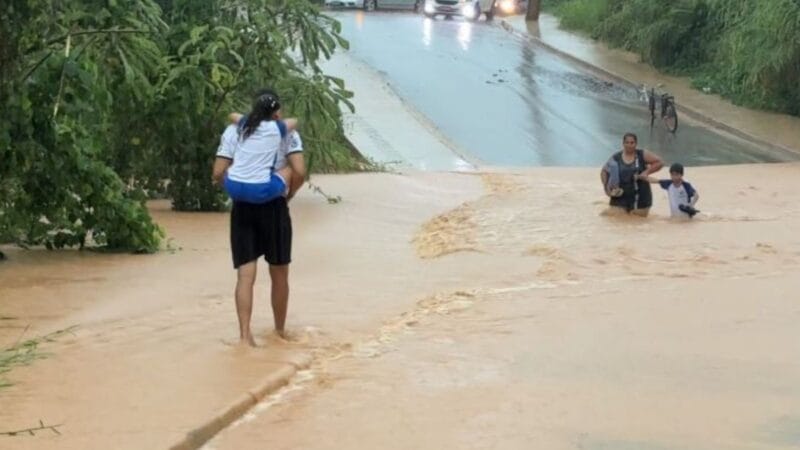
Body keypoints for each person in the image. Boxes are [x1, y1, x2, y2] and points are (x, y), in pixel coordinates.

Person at [211, 88, 307, 346]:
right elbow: (299, 171)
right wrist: (288, 195)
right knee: (279, 271)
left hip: (241, 204)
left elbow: (218, 172)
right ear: (277, 112)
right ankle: (279, 332)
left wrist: (235, 186)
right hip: (274, 205)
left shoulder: (235, 130)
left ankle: (245, 336)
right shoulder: (286, 133)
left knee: (245, 274)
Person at [221, 90, 299, 204]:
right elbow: (294, 121)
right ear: (275, 113)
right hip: (260, 191)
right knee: (290, 169)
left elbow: (232, 115)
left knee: (231, 166)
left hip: (233, 187)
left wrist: (251, 117)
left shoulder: (245, 124)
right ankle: (287, 197)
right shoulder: (276, 128)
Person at [600, 132, 664, 217]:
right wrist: (606, 188)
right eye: (627, 142)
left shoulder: (642, 154)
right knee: (606, 217)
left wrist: (646, 172)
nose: (629, 145)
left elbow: (660, 162)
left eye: (632, 143)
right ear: (623, 144)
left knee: (637, 223)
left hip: (640, 199)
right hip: (620, 198)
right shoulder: (616, 158)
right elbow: (604, 171)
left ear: (636, 144)